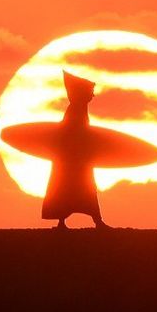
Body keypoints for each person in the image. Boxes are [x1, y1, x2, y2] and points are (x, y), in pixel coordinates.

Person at [41, 70, 109, 229]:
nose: (92, 96)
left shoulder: (77, 109)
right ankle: (90, 221)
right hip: (74, 163)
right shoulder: (75, 110)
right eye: (90, 92)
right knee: (77, 189)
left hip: (75, 161)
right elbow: (72, 136)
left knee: (73, 189)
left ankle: (77, 221)